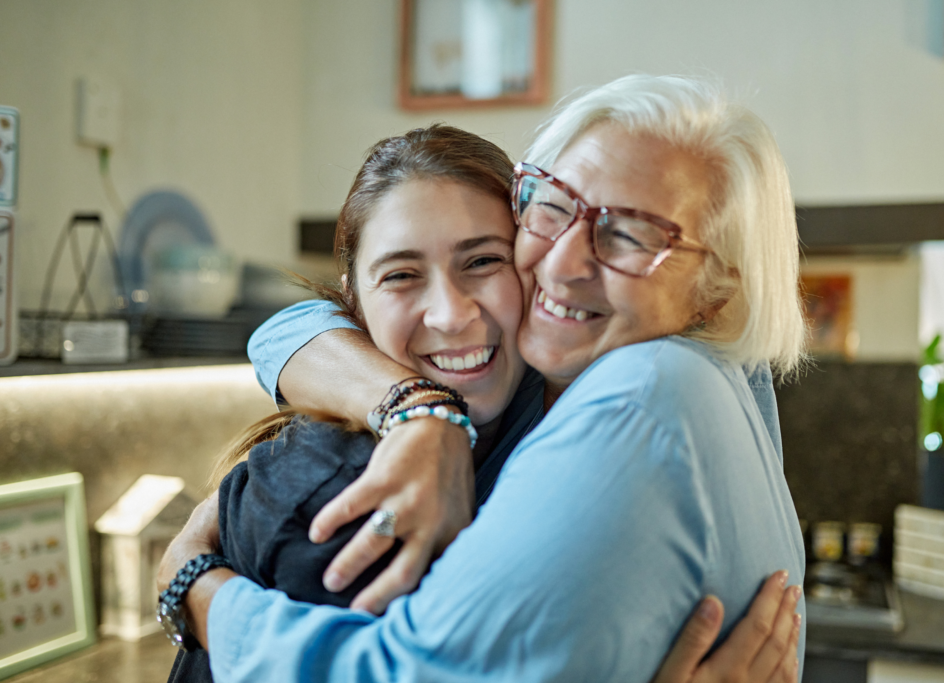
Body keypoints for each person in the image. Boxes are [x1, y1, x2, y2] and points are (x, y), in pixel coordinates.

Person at [159, 74, 808, 682]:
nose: (562, 262)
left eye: (630, 235)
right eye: (556, 207)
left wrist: (191, 588)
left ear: (717, 292)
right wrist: (417, 409)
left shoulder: (638, 396)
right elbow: (289, 325)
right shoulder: (345, 483)